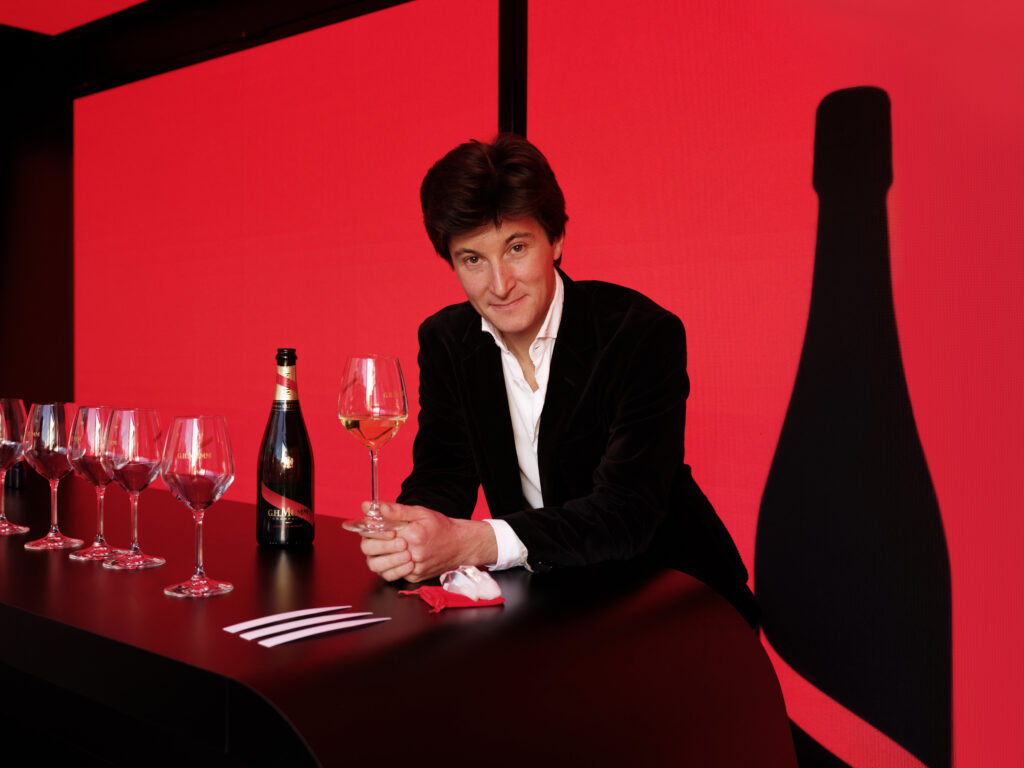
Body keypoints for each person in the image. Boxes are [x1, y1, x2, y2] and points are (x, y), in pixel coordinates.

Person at [358, 133, 757, 626]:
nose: (499, 284)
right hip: (556, 603)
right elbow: (443, 476)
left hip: (676, 599)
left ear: (557, 240)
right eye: (473, 259)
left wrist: (475, 541)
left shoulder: (640, 334)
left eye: (516, 247)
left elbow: (626, 512)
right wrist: (412, 537)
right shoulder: (447, 340)